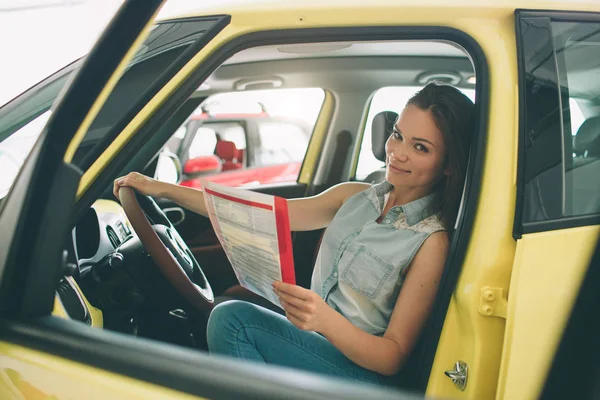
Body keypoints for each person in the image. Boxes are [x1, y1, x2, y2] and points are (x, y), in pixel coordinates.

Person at [113, 82, 474, 386]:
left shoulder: (431, 241)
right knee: (228, 310)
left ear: (447, 166)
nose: (397, 153)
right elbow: (256, 213)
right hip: (313, 342)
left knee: (232, 320)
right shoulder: (354, 197)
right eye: (398, 135)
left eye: (420, 147)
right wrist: (162, 189)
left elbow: (392, 357)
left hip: (360, 376)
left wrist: (325, 321)